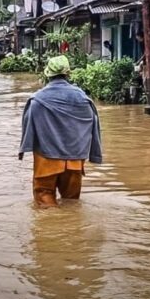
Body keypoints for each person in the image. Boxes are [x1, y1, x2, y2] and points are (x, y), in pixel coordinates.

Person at [18, 55, 102, 208]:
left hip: (46, 160)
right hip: (75, 161)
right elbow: (93, 127)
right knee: (71, 203)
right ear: (68, 73)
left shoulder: (37, 100)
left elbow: (29, 129)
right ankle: (72, 230)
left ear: (47, 74)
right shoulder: (84, 100)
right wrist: (94, 155)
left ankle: (54, 230)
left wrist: (23, 151)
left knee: (45, 200)